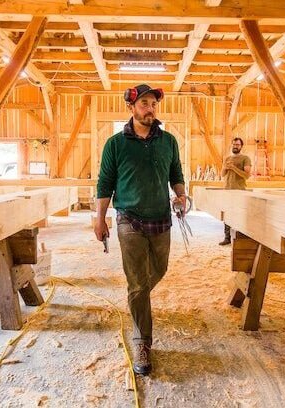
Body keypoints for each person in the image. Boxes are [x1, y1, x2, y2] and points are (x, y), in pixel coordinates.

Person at [94, 84, 185, 376]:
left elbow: (176, 174)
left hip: (161, 219)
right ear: (131, 107)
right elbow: (105, 183)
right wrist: (99, 218)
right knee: (136, 283)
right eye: (144, 103)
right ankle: (142, 342)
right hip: (128, 219)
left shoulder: (169, 141)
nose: (150, 108)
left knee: (158, 271)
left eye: (154, 104)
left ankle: (137, 300)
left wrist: (181, 196)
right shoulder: (115, 144)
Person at [219, 137, 251, 245]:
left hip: (239, 190)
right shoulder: (227, 158)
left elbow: (247, 175)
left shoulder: (245, 158)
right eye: (233, 144)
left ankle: (238, 239)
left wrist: (234, 168)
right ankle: (227, 238)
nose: (235, 146)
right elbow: (222, 174)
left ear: (241, 146)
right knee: (227, 214)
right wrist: (226, 168)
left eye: (237, 145)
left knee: (238, 214)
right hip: (227, 189)